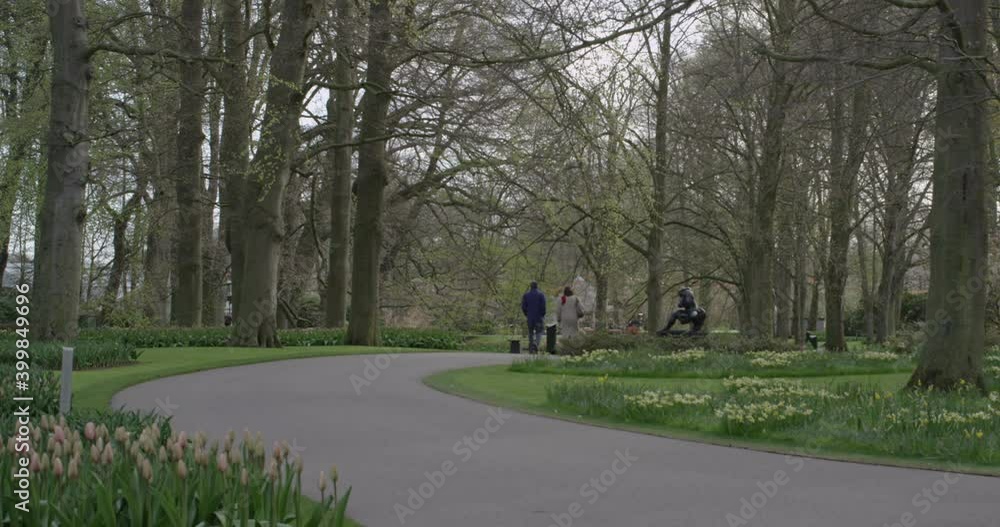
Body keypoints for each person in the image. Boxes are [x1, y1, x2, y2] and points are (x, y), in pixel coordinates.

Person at [521, 281, 547, 352]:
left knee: (530, 332)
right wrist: (542, 314)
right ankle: (536, 343)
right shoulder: (541, 295)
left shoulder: (526, 295)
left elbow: (523, 307)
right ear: (537, 286)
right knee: (539, 331)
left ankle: (531, 346)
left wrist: (526, 314)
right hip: (538, 317)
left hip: (530, 317)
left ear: (530, 286)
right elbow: (543, 306)